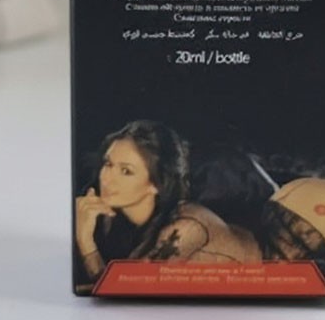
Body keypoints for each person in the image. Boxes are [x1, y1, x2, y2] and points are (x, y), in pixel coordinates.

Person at [75, 120, 260, 285]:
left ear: (156, 184)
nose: (107, 179)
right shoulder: (110, 216)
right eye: (108, 164)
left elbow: (126, 290)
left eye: (126, 171)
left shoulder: (186, 226)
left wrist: (85, 240)